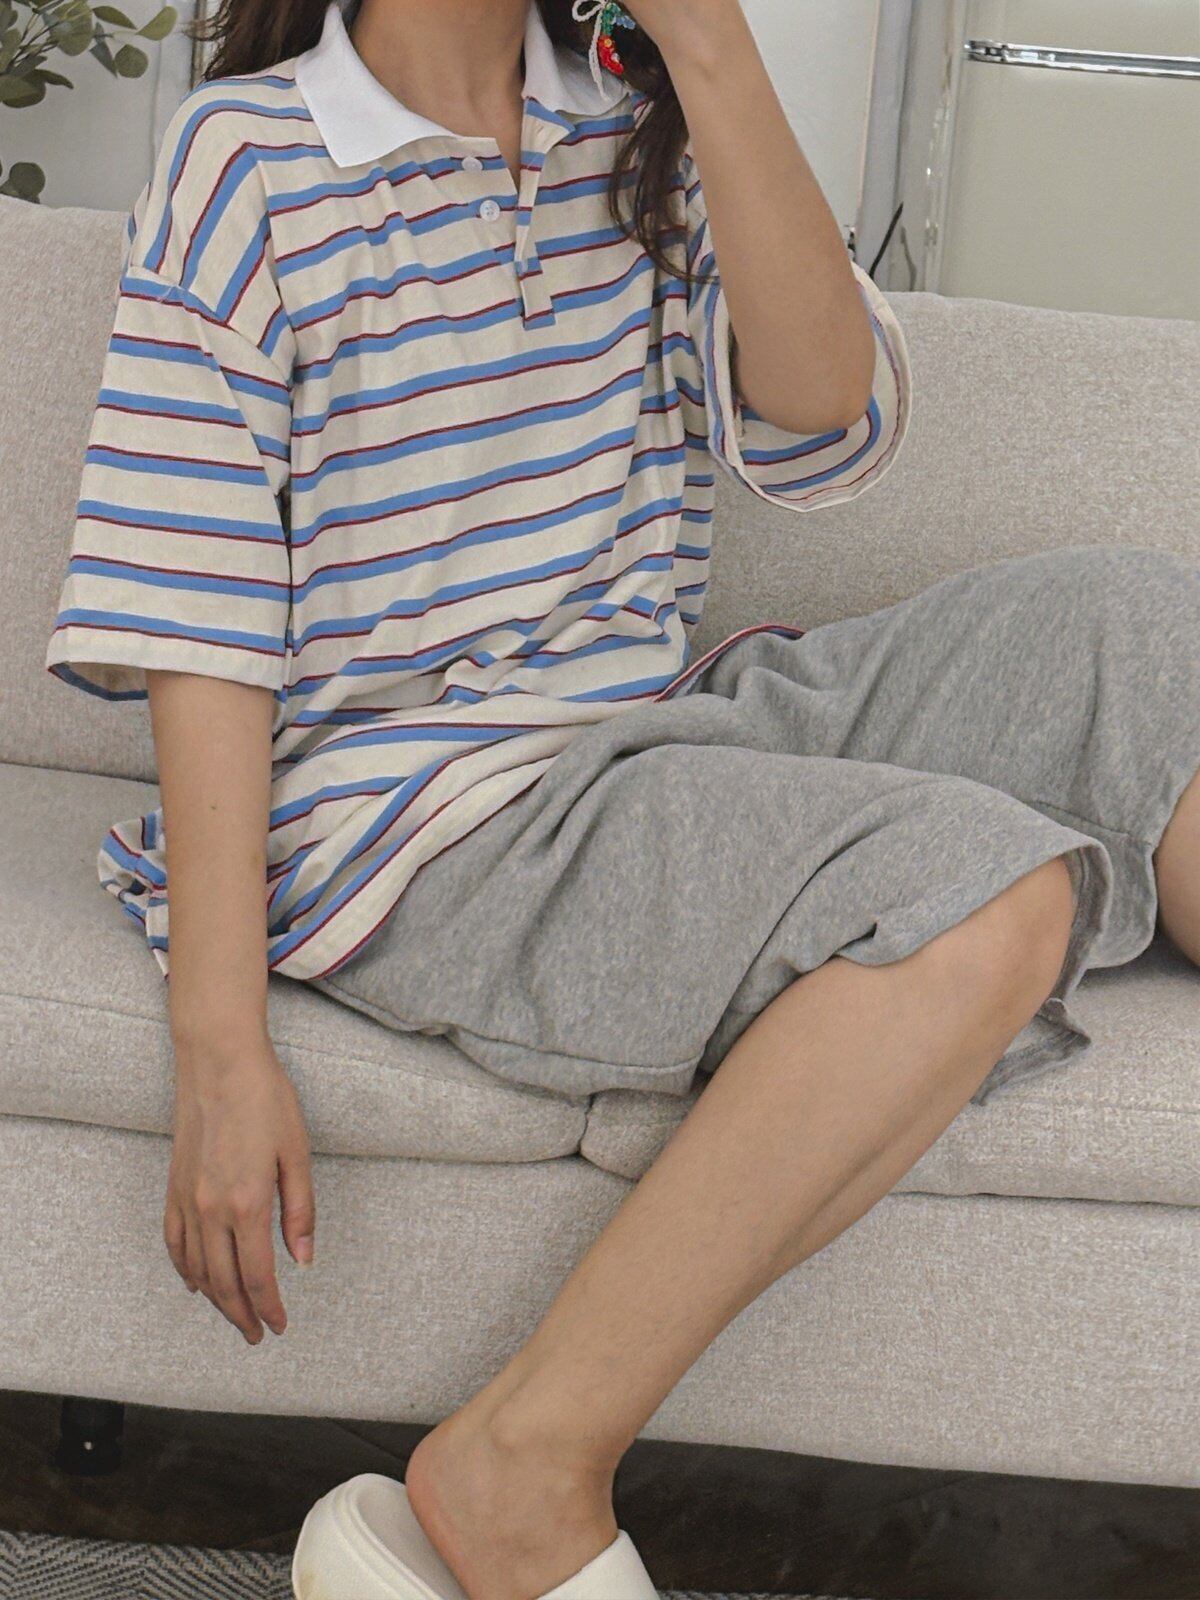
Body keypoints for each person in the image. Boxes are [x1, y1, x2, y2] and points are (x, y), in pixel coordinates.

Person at [44, 0, 1200, 1595]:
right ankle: (524, 1463)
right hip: (425, 814)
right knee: (984, 891)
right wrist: (220, 1045)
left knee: (1146, 630)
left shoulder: (630, 124)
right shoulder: (245, 158)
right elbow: (201, 614)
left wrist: (709, 51)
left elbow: (823, 399)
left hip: (664, 725)